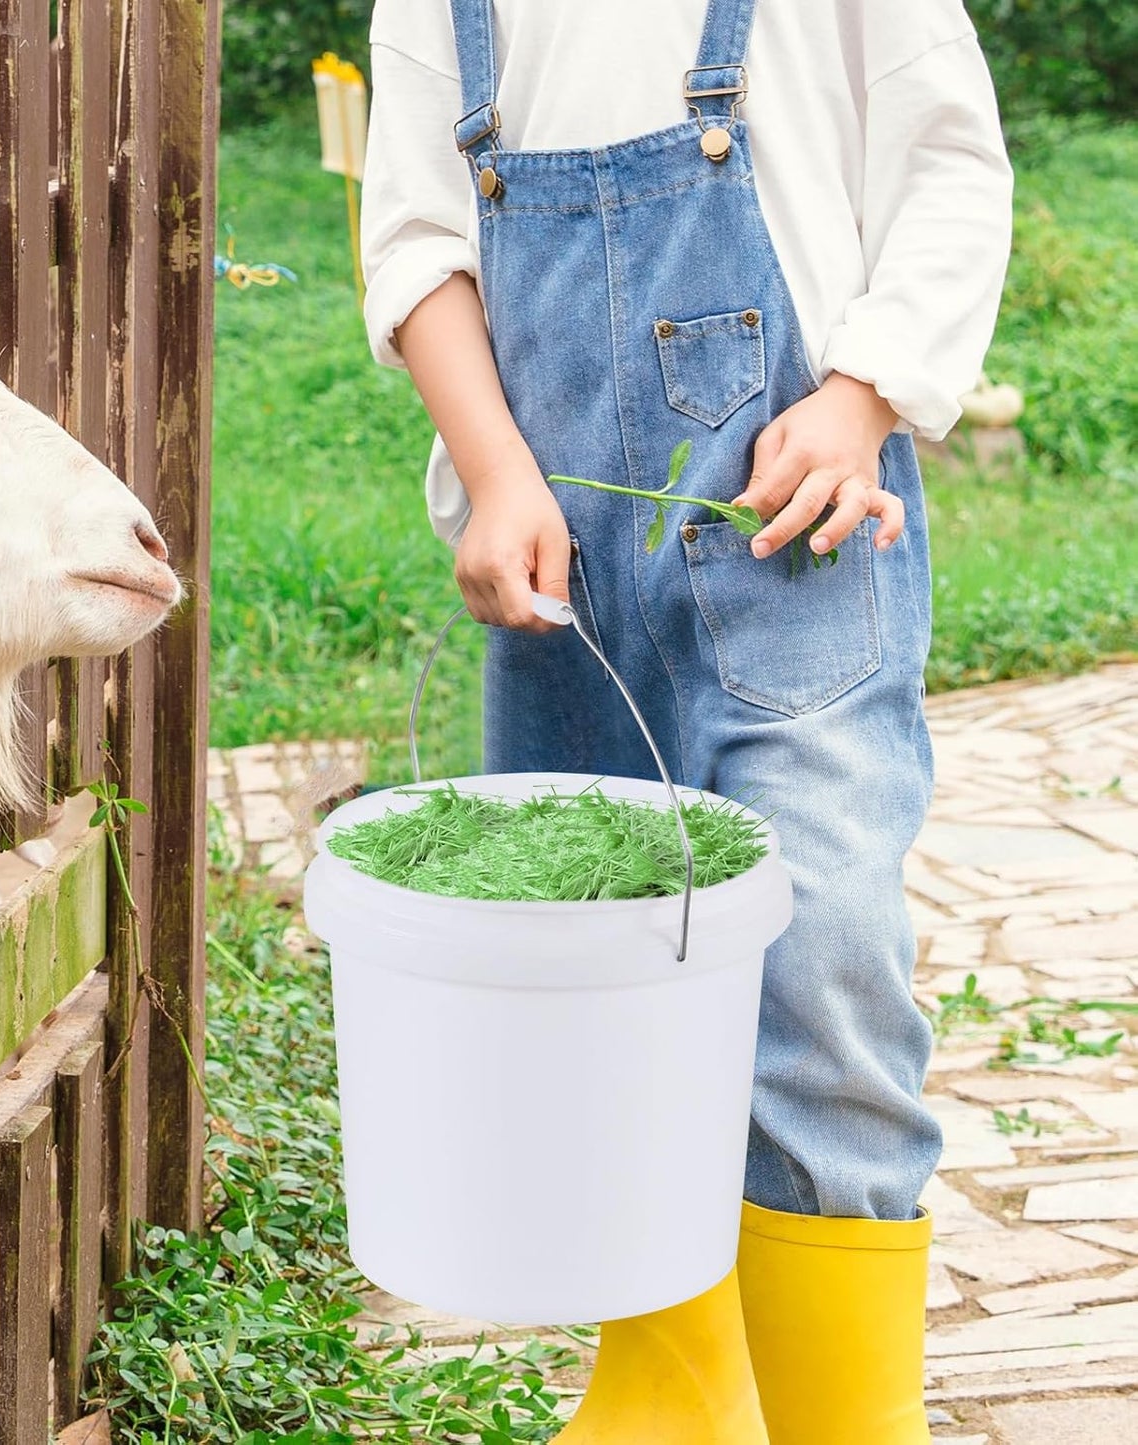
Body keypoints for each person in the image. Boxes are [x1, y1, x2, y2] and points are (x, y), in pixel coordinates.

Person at [360, 0, 1012, 1439]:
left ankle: (850, 1420)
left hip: (794, 539)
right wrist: (495, 473)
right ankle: (679, 1376)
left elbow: (952, 162)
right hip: (562, 574)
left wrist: (858, 395)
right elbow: (415, 241)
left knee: (818, 946)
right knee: (612, 972)